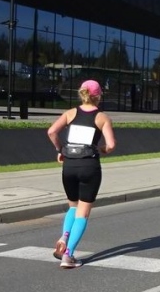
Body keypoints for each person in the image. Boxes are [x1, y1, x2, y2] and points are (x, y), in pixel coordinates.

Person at [47, 80, 116, 269]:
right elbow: (111, 145)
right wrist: (102, 149)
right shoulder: (102, 117)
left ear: (81, 94)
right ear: (98, 96)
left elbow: (52, 131)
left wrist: (61, 150)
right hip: (89, 167)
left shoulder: (70, 113)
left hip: (69, 166)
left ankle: (65, 236)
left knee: (73, 206)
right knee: (83, 212)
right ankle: (68, 255)